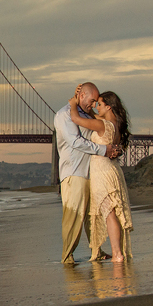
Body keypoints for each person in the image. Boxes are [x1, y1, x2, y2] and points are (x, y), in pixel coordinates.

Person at [55, 82, 122, 266]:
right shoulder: (64, 114)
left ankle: (97, 251)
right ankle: (67, 257)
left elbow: (100, 124)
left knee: (93, 216)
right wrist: (104, 149)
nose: (93, 105)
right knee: (73, 216)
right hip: (74, 172)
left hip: (92, 173)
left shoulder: (84, 113)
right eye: (91, 100)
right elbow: (75, 141)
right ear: (82, 95)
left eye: (96, 102)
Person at [68, 90, 133, 262]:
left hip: (102, 173)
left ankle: (117, 254)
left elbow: (76, 119)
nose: (96, 107)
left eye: (99, 104)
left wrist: (73, 103)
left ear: (108, 106)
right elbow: (91, 116)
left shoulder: (103, 125)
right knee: (112, 212)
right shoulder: (114, 124)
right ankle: (118, 252)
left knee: (109, 213)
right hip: (111, 170)